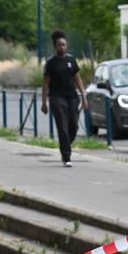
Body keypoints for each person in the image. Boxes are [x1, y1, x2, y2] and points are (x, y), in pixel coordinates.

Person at [39, 30, 85, 167]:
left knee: (74, 126)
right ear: (55, 46)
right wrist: (44, 102)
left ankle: (65, 146)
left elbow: (78, 79)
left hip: (72, 96)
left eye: (64, 45)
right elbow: (46, 82)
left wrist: (84, 96)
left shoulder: (71, 60)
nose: (62, 47)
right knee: (63, 127)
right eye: (59, 45)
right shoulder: (51, 63)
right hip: (56, 97)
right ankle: (66, 156)